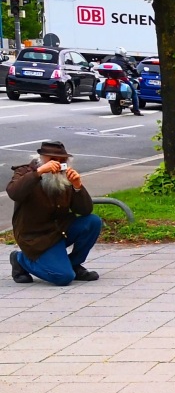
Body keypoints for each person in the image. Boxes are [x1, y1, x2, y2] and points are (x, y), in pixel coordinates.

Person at [8, 140, 102, 286]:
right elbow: (14, 193)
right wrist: (38, 173)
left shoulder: (64, 177)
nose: (57, 164)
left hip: (60, 230)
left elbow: (85, 210)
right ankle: (20, 259)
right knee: (63, 277)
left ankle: (74, 264)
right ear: (42, 159)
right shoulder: (24, 172)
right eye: (52, 160)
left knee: (93, 221)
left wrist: (78, 187)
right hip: (36, 237)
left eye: (61, 161)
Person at [104, 48, 142, 115]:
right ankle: (136, 110)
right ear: (123, 53)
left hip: (111, 78)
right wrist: (137, 73)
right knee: (134, 93)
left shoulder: (111, 59)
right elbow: (132, 68)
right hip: (122, 78)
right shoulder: (125, 60)